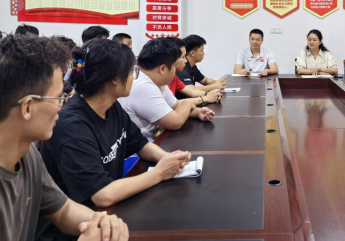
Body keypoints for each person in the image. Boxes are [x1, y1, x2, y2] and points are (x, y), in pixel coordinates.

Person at [38, 39, 191, 240]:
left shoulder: (112, 107)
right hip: (78, 231)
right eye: (131, 72)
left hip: (108, 215)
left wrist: (168, 158)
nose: (133, 77)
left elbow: (141, 145)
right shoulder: (73, 128)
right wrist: (160, 173)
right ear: (114, 79)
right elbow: (103, 195)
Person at [0, 34, 128, 241]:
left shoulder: (27, 153)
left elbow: (63, 210)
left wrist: (102, 223)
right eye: (59, 97)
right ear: (28, 107)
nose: (62, 106)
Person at [119, 38, 217, 141]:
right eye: (174, 66)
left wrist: (198, 112)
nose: (175, 71)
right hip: (144, 147)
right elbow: (175, 122)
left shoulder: (157, 79)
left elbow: (175, 105)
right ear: (163, 69)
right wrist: (188, 104)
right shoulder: (142, 85)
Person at [165, 37, 222, 101]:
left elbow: (191, 92)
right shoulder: (180, 71)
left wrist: (208, 94)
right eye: (183, 57)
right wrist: (207, 96)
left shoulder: (174, 78)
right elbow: (176, 103)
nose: (185, 60)